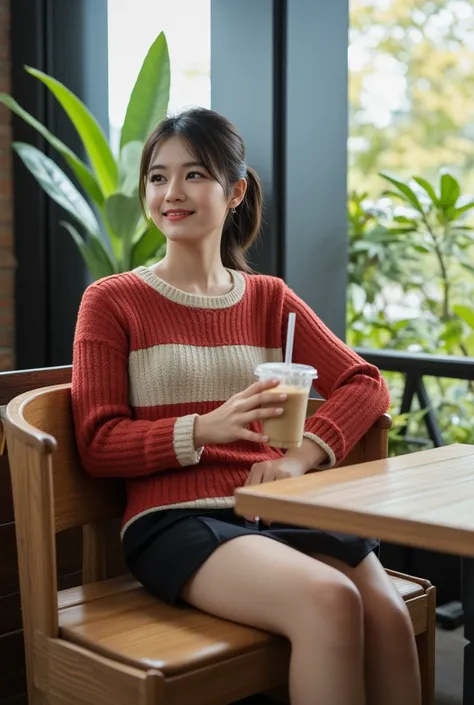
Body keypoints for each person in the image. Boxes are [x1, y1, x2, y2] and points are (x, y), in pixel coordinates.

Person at [72, 107, 421, 705]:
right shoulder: (112, 301)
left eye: (194, 175)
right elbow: (99, 443)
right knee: (332, 599)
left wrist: (300, 456)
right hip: (175, 519)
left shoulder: (267, 298)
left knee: (386, 613)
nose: (171, 193)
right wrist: (204, 427)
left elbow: (365, 382)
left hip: (269, 504)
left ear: (235, 192)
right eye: (158, 177)